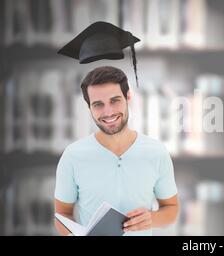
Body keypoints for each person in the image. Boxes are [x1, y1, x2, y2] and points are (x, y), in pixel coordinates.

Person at [54, 66, 179, 236]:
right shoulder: (73, 156)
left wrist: (152, 218)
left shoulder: (156, 152)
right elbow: (62, 214)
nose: (108, 112)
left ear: (128, 97)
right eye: (98, 104)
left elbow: (171, 209)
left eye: (115, 100)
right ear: (89, 107)